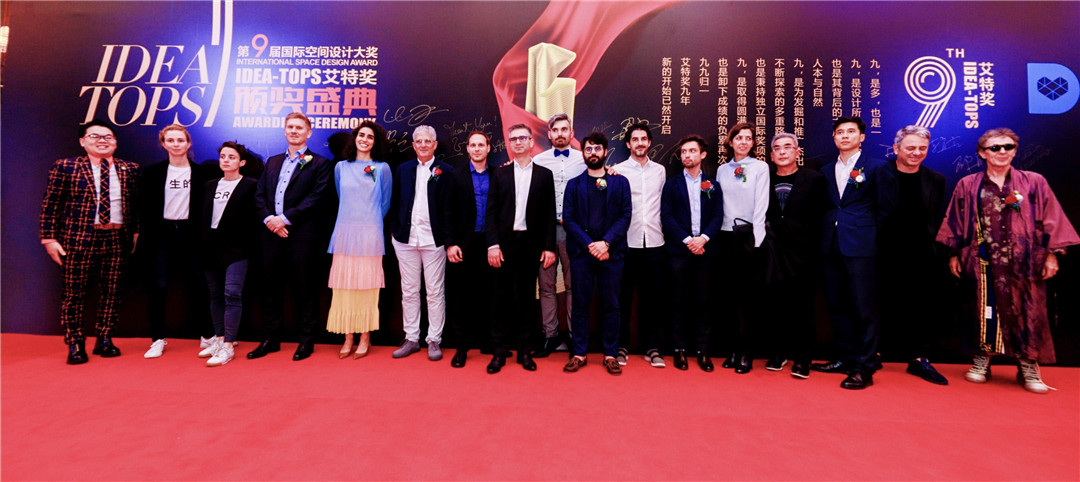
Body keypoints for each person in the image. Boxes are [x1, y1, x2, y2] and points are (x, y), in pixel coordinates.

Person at [937, 127, 1079, 394]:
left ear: (1015, 151)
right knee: (982, 309)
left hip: (1024, 261)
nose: (1002, 152)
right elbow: (955, 220)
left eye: (1008, 147)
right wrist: (954, 253)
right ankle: (982, 359)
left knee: (1028, 310)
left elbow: (1052, 217)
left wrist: (1052, 254)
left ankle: (1028, 364)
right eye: (995, 147)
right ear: (982, 153)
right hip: (983, 261)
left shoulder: (1034, 182)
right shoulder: (968, 184)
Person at [40, 119, 141, 364]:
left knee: (112, 292)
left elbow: (136, 206)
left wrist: (135, 233)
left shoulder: (130, 169)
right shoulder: (67, 166)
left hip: (117, 238)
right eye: (95, 136)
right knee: (74, 294)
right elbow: (51, 204)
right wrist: (48, 238)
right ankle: (75, 342)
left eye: (108, 137)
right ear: (82, 142)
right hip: (78, 239)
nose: (102, 141)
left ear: (115, 142)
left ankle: (105, 338)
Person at [811, 116, 896, 389]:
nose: (845, 136)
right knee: (837, 305)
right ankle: (844, 358)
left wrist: (866, 233)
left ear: (862, 137)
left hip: (861, 246)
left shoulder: (877, 167)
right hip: (830, 244)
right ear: (834, 137)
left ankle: (865, 366)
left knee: (864, 308)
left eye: (851, 131)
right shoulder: (826, 170)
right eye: (840, 132)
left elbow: (886, 209)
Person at [249, 112, 334, 361]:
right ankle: (271, 339)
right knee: (270, 289)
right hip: (271, 235)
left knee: (305, 289)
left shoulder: (320, 163)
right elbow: (259, 195)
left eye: (299, 127)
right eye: (290, 127)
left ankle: (306, 341)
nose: (294, 131)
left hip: (302, 237)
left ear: (309, 132)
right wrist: (270, 220)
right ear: (285, 130)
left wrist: (284, 219)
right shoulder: (272, 161)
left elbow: (317, 198)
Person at [878, 125, 950, 385]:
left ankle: (919, 358)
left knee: (921, 306)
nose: (916, 153)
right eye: (910, 148)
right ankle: (873, 353)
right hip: (881, 250)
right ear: (896, 148)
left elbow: (935, 217)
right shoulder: (878, 173)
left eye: (922, 148)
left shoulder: (936, 179)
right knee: (878, 303)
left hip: (921, 252)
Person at [139, 124, 215, 359]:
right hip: (160, 235)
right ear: (163, 144)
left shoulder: (202, 173)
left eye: (180, 140)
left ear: (188, 143)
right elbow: (142, 208)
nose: (176, 144)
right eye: (170, 140)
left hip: (190, 235)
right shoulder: (152, 173)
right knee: (159, 287)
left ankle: (207, 335)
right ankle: (157, 339)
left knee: (199, 285)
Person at [485, 124, 557, 373]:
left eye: (522, 138)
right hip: (503, 245)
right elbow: (491, 212)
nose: (517, 142)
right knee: (499, 300)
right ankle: (499, 352)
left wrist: (549, 247)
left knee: (526, 299)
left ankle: (525, 351)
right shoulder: (500, 174)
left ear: (530, 142)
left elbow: (549, 213)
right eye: (513, 138)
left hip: (530, 245)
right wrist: (492, 244)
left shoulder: (544, 175)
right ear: (509, 143)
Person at [561, 132, 632, 376]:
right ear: (583, 153)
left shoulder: (620, 182)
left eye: (597, 148)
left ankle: (610, 354)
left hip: (611, 254)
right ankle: (579, 353)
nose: (593, 153)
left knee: (611, 305)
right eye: (588, 149)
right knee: (580, 304)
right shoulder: (574, 185)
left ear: (605, 152)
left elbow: (625, 216)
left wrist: (606, 243)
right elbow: (568, 219)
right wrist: (591, 245)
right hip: (582, 254)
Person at [327, 121, 393, 359]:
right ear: (354, 138)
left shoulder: (382, 168)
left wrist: (369, 221)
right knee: (344, 287)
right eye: (361, 135)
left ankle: (365, 336)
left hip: (370, 234)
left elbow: (385, 202)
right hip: (344, 233)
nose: (364, 139)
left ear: (376, 142)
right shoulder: (340, 167)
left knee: (367, 287)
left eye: (370, 137)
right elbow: (340, 196)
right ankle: (347, 337)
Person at [763, 133, 827, 379]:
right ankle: (778, 353)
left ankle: (803, 357)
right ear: (771, 155)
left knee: (803, 306)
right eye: (777, 148)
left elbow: (821, 215)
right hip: (773, 252)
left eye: (787, 147)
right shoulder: (765, 179)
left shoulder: (814, 179)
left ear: (797, 152)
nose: (782, 152)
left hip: (804, 252)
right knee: (775, 305)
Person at [389, 125, 454, 361]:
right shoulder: (403, 169)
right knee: (409, 291)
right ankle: (411, 338)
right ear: (413, 145)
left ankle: (434, 339)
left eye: (428, 141)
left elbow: (449, 208)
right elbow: (395, 201)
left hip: (433, 240)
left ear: (435, 144)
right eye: (419, 141)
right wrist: (394, 232)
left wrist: (448, 240)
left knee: (435, 292)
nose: (423, 145)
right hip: (405, 239)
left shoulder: (446, 171)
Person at [661, 135, 724, 372]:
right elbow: (666, 216)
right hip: (679, 251)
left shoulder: (713, 185)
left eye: (692, 151)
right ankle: (679, 349)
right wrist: (688, 241)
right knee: (678, 301)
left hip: (705, 251)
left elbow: (718, 215)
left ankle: (702, 350)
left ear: (703, 154)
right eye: (684, 151)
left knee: (704, 302)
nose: (687, 155)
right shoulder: (672, 184)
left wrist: (703, 239)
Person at [715, 122, 770, 374]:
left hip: (749, 237)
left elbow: (761, 206)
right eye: (739, 138)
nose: (743, 142)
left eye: (748, 138)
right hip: (725, 236)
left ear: (753, 143)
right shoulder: (722, 170)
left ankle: (747, 352)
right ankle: (733, 350)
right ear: (731, 141)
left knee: (749, 298)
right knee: (728, 297)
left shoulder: (760, 167)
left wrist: (757, 240)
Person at [613, 122, 669, 368]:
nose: (639, 143)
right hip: (627, 242)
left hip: (655, 242)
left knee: (653, 299)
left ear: (649, 142)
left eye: (643, 139)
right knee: (623, 299)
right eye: (635, 139)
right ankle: (621, 346)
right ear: (628, 144)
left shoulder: (660, 171)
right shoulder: (617, 171)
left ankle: (652, 347)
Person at [198, 142, 259, 367]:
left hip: (237, 249)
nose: (225, 160)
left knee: (232, 293)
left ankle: (228, 345)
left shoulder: (251, 185)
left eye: (231, 157)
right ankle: (219, 338)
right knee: (215, 295)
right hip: (210, 247)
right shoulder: (210, 185)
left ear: (241, 162)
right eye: (223, 156)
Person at [531, 113, 586, 357]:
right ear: (549, 134)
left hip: (573, 230)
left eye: (565, 129)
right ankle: (550, 335)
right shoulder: (538, 160)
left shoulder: (583, 159)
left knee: (574, 285)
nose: (560, 134)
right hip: (545, 230)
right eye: (556, 130)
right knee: (546, 286)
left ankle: (575, 337)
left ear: (571, 133)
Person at [445, 131, 497, 368]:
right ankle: (461, 348)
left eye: (481, 145)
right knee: (461, 298)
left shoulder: (499, 175)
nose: (477, 149)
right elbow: (446, 211)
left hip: (491, 244)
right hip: (463, 245)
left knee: (490, 295)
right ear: (467, 148)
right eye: (472, 145)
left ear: (488, 148)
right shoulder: (454, 175)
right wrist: (450, 243)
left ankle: (489, 343)